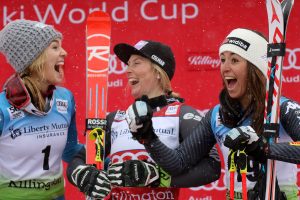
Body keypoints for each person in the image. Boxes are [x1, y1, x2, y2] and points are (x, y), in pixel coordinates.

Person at [126, 28, 300, 199]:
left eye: (234, 60)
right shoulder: (217, 115)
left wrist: (263, 148)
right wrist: (148, 137)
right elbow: (179, 163)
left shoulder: (283, 108)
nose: (225, 67)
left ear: (255, 67)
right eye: (223, 60)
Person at [66, 40, 221, 199]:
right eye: (128, 64)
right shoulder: (116, 119)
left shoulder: (181, 114)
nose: (128, 70)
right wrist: (82, 175)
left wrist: (158, 178)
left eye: (136, 63)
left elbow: (212, 168)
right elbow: (79, 160)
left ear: (157, 72)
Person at [0, 19, 85, 200]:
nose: (64, 53)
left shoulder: (65, 99)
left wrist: (113, 162)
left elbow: (70, 151)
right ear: (33, 58)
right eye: (54, 47)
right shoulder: (2, 108)